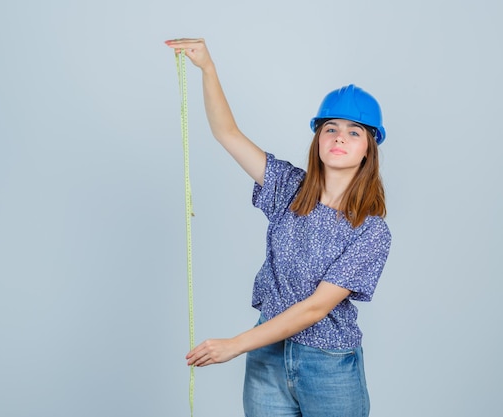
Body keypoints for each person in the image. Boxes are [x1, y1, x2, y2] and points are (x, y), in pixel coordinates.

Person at [165, 38, 391, 417]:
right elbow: (228, 134)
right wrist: (208, 68)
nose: (339, 137)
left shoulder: (371, 231)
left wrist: (236, 344)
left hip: (328, 366)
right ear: (317, 138)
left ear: (369, 148)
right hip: (267, 359)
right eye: (330, 128)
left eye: (354, 132)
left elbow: (315, 308)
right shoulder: (288, 188)